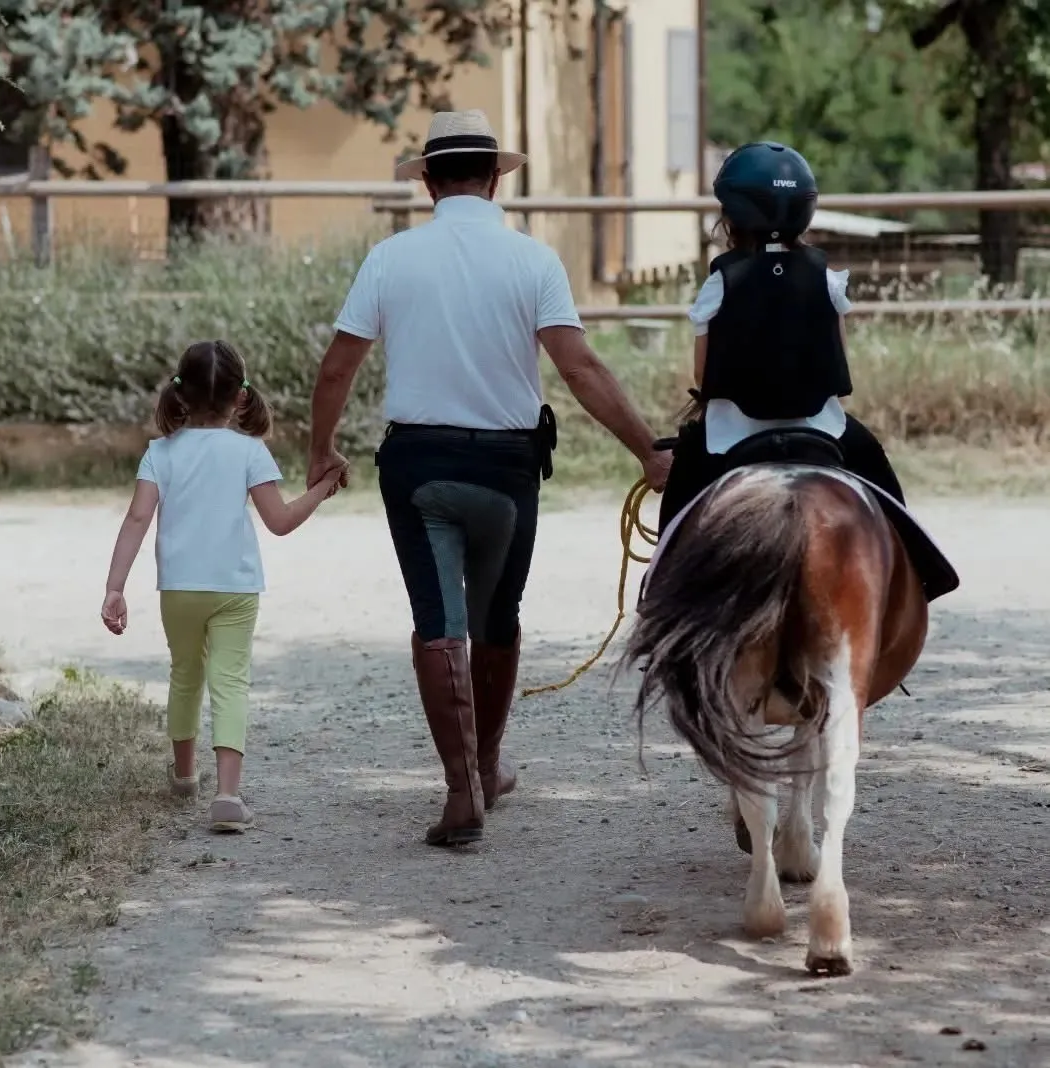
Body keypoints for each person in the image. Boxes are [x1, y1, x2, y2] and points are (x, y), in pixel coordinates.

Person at [306, 108, 672, 848]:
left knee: (437, 621)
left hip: (417, 467)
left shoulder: (390, 258)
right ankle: (489, 763)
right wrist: (648, 452)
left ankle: (461, 789)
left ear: (429, 184)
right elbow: (579, 368)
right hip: (507, 470)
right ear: (497, 180)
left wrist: (321, 450)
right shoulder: (533, 261)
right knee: (497, 618)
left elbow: (338, 367)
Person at [101, 340, 344, 833]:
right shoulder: (250, 451)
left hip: (179, 589)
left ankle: (185, 777)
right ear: (240, 396)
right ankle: (228, 795)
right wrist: (322, 488)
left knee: (185, 674)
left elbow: (137, 518)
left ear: (180, 394)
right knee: (230, 681)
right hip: (235, 588)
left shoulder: (159, 453)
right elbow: (280, 521)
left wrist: (115, 587)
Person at [657, 140, 907, 535]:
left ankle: (662, 568)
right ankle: (915, 560)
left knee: (679, 509)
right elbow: (839, 363)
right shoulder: (827, 279)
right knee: (884, 493)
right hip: (822, 426)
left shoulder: (720, 282)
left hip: (730, 433)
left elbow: (702, 375)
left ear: (731, 215)